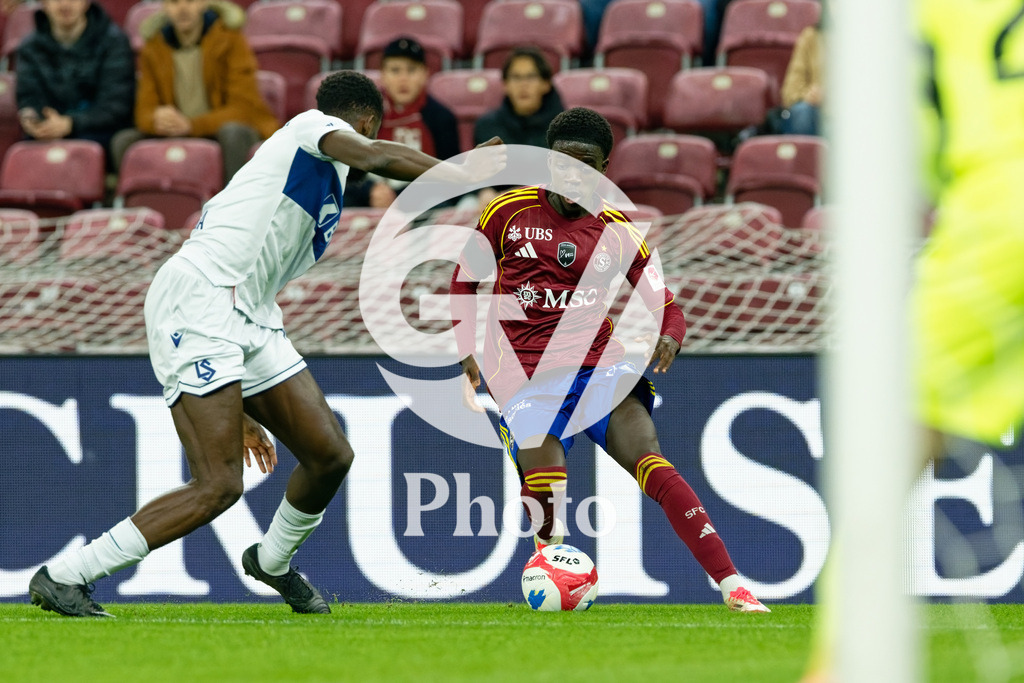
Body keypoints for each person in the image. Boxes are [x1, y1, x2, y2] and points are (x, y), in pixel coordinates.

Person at [27, 70, 503, 618]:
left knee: (329, 455)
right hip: (202, 296)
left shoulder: (326, 175)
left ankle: (272, 561)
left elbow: (363, 163)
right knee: (218, 484)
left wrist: (243, 403)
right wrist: (460, 172)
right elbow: (376, 156)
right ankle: (66, 575)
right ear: (368, 120)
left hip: (250, 316)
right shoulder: (310, 128)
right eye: (371, 131)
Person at [451, 107, 769, 613]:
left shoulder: (618, 230)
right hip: (524, 376)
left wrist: (671, 335)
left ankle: (733, 586)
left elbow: (667, 306)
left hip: (598, 367)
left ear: (604, 168)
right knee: (547, 493)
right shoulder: (505, 212)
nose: (573, 175)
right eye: (563, 163)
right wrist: (466, 349)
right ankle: (551, 560)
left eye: (586, 165)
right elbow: (464, 281)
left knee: (652, 461)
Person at [110, 0, 279, 184]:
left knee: (233, 133)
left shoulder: (230, 38)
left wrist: (191, 125)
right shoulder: (153, 46)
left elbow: (242, 109)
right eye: (174, 2)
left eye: (190, 1)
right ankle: (142, 200)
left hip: (218, 130)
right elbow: (143, 113)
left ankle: (235, 197)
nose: (182, 9)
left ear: (204, 3)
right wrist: (157, 119)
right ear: (165, 6)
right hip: (177, 130)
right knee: (124, 140)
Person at [347, 36, 460, 209]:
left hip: (420, 200)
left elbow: (450, 176)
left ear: (425, 74)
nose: (403, 79)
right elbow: (348, 169)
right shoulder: (363, 115)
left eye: (411, 70)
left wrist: (400, 197)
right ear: (383, 75)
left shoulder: (441, 117)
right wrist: (370, 191)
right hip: (371, 196)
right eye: (395, 70)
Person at [15, 0, 134, 158]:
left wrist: (70, 123)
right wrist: (33, 117)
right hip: (48, 132)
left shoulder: (114, 42)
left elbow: (116, 105)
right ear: (45, 3)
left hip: (99, 132)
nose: (65, 4)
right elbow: (29, 97)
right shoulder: (29, 47)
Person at [473, 46, 564, 149]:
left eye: (531, 76)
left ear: (546, 84)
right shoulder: (487, 127)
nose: (523, 84)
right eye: (516, 77)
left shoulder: (565, 129)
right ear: (505, 85)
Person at [779, 16, 825, 136]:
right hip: (816, 112)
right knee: (801, 111)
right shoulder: (811, 36)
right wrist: (809, 95)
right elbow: (790, 92)